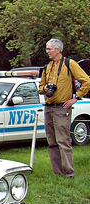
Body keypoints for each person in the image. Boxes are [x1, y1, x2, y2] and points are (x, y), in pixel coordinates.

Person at [38, 38, 90, 178]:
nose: (47, 51)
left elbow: (86, 81)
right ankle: (57, 172)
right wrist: (45, 88)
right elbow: (40, 88)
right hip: (48, 107)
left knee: (63, 141)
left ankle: (69, 173)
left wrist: (76, 98)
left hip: (62, 108)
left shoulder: (69, 64)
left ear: (57, 50)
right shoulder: (47, 66)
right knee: (52, 141)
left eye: (49, 49)